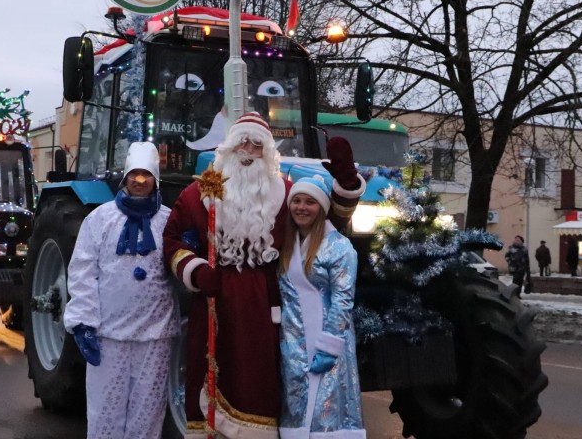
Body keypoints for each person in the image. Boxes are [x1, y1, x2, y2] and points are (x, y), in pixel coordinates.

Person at [163, 112, 365, 438]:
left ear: (267, 152)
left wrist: (346, 187)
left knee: (259, 380)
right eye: (242, 141)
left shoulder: (285, 194)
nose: (248, 149)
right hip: (214, 301)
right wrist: (196, 271)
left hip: (265, 303)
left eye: (257, 144)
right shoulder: (198, 194)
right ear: (229, 146)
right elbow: (172, 241)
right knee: (208, 375)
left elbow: (324, 225)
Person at [64, 142, 179, 439]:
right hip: (108, 334)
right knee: (105, 411)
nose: (140, 181)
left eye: (146, 175)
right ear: (125, 176)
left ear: (156, 179)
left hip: (155, 335)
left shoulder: (168, 221)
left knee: (148, 412)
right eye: (134, 174)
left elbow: (179, 264)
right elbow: (82, 271)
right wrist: (83, 322)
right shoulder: (100, 219)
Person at [277, 176, 366, 438]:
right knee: (297, 411)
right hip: (293, 346)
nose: (301, 207)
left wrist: (328, 347)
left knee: (326, 413)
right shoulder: (286, 245)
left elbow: (343, 299)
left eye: (310, 202)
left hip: (326, 344)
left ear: (322, 208)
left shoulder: (339, 246)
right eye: (296, 200)